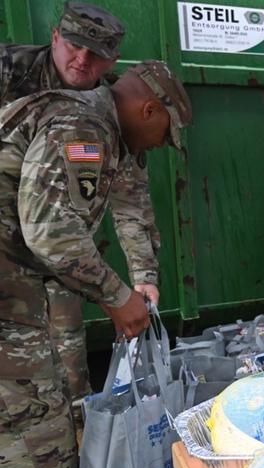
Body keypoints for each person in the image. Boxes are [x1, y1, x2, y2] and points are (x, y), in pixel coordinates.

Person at [0, 61, 191, 468]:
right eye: (162, 134)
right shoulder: (82, 126)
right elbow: (49, 231)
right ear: (149, 109)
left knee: (31, 421)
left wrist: (140, 279)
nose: (156, 145)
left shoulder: (101, 127)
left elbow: (129, 204)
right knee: (32, 425)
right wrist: (115, 295)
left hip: (15, 288)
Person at [0, 1, 162, 397]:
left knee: (67, 346)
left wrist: (144, 277)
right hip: (14, 247)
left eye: (97, 54)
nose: (82, 60)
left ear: (113, 60)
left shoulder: (111, 108)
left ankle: (74, 414)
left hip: (57, 251)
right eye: (74, 45)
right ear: (55, 37)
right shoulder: (9, 71)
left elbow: (130, 199)